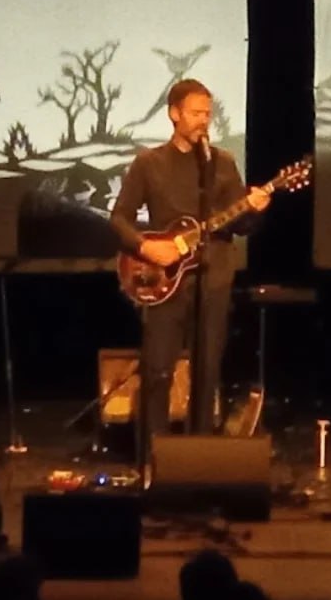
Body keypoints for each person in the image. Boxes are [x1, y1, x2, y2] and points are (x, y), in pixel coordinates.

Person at [110, 79, 271, 455]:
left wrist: (256, 209)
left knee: (207, 372)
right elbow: (119, 218)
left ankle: (199, 460)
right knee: (157, 372)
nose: (204, 121)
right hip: (165, 281)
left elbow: (240, 225)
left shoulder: (224, 163)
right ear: (174, 114)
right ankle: (156, 457)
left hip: (214, 280)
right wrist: (146, 245)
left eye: (208, 114)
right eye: (196, 113)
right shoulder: (149, 163)